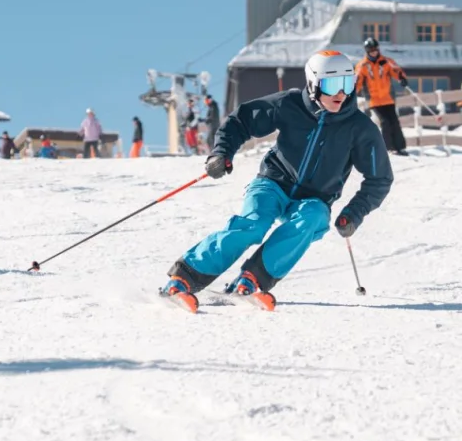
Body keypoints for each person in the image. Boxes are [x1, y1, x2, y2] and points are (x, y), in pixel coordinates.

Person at [160, 50, 393, 312]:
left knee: (313, 217)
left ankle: (252, 279)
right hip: (273, 183)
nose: (340, 93)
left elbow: (380, 178)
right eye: (331, 85)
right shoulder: (290, 104)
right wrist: (222, 153)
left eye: (346, 84)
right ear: (314, 84)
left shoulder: (360, 128)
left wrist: (354, 213)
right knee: (253, 224)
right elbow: (241, 120)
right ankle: (184, 277)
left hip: (315, 198)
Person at [356, 38, 409, 156]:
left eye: (375, 50)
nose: (374, 53)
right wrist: (353, 92)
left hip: (388, 98)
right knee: (385, 122)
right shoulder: (363, 65)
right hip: (374, 100)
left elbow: (396, 70)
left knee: (394, 121)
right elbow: (357, 80)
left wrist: (402, 78)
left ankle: (400, 147)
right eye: (371, 51)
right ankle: (388, 147)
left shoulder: (385, 61)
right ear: (367, 51)